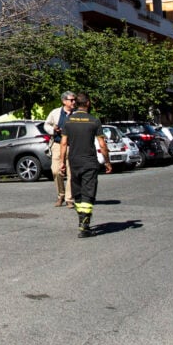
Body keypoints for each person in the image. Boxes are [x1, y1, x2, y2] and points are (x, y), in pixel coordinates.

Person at [59, 91, 111, 237]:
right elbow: (102, 144)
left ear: (76, 103)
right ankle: (84, 226)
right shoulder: (94, 121)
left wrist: (62, 162)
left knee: (78, 193)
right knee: (88, 193)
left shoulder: (68, 121)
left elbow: (63, 144)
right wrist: (107, 161)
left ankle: (82, 221)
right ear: (87, 103)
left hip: (74, 161)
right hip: (89, 161)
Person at [44, 91, 77, 207]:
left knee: (71, 173)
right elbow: (46, 125)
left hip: (72, 145)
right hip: (57, 145)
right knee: (56, 171)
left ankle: (69, 199)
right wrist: (54, 130)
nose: (74, 102)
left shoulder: (76, 114)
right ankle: (61, 195)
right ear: (64, 101)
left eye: (74, 100)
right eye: (71, 100)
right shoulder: (55, 113)